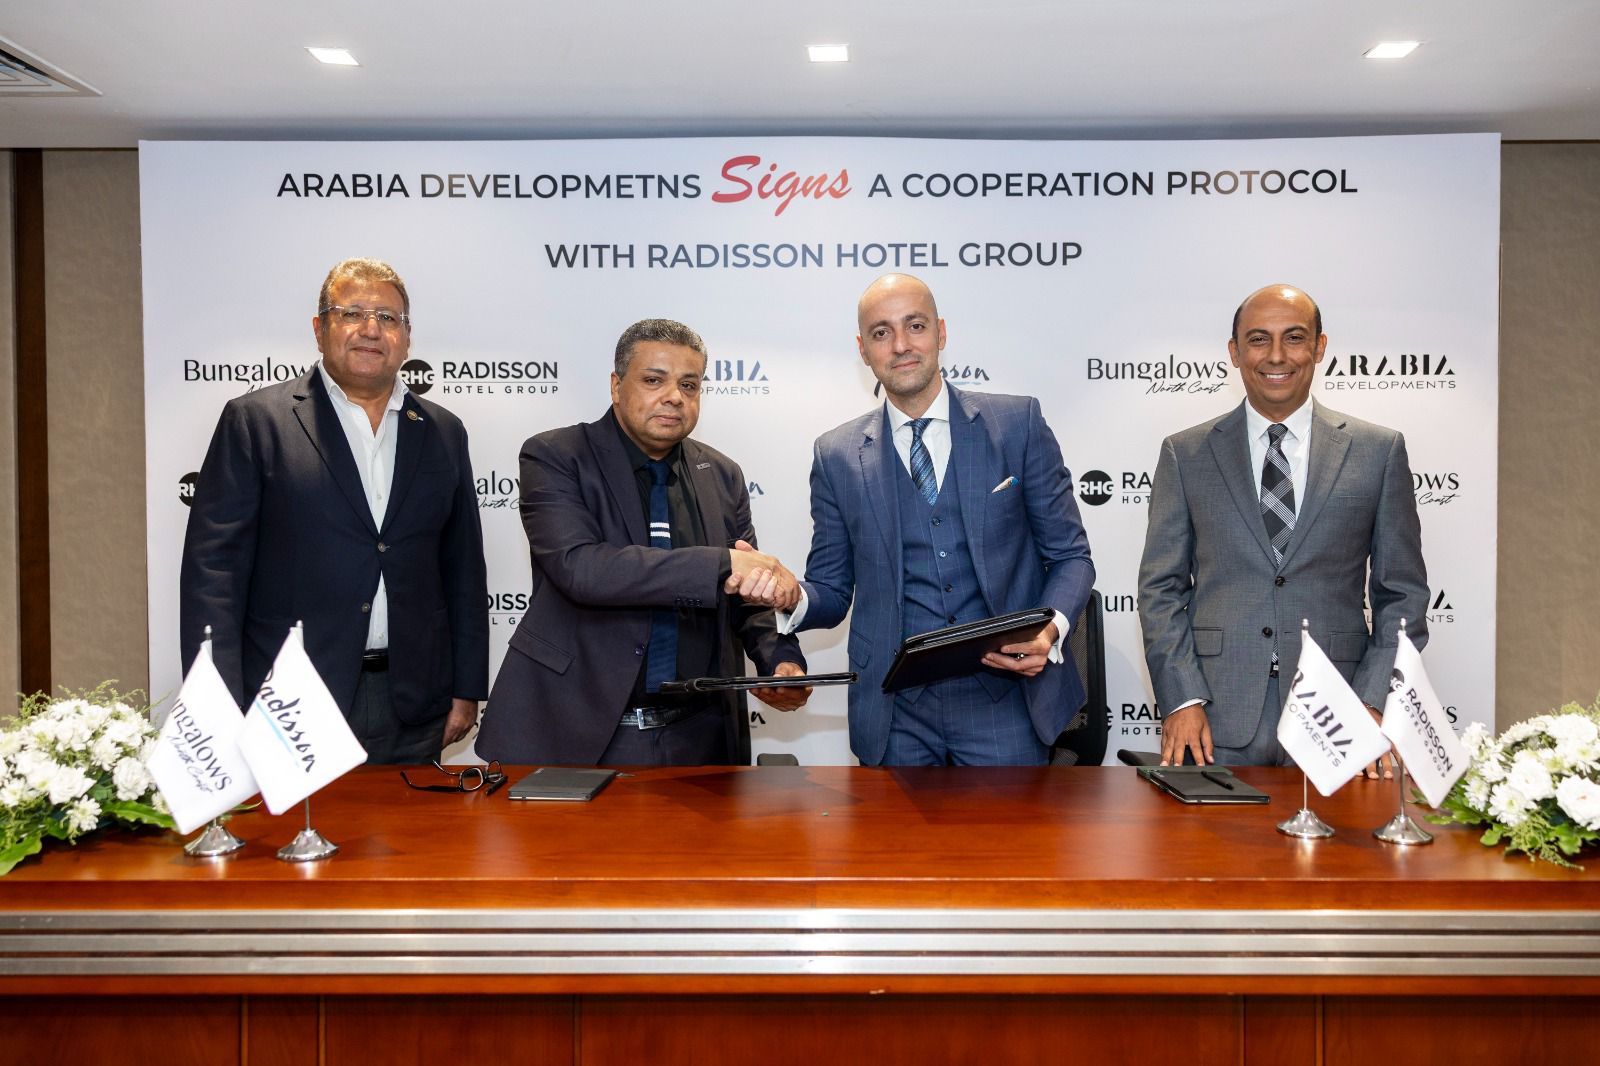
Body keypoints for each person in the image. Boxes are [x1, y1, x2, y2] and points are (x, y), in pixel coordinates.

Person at [766, 273, 1095, 766]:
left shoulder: (1017, 424)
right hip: (895, 712)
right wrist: (791, 596)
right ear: (863, 349)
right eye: (881, 332)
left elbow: (1071, 557)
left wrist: (1048, 631)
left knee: (1012, 823)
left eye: (915, 326)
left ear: (941, 332)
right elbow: (832, 589)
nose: (900, 345)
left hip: (1006, 701)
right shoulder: (836, 455)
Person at [180, 257, 488, 763]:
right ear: (319, 328)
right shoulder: (255, 422)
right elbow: (214, 576)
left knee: (415, 820)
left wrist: (467, 687)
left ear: (407, 338)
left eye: (387, 317)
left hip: (415, 704)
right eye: (352, 313)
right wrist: (218, 704)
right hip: (286, 704)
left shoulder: (442, 431)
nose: (371, 329)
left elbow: (463, 570)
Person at [475, 319, 809, 767]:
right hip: (580, 732)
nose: (674, 396)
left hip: (701, 734)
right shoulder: (556, 456)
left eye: (689, 385)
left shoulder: (723, 474)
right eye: (654, 380)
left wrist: (780, 661)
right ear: (617, 386)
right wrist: (721, 564)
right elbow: (582, 569)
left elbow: (749, 597)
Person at [1137, 283, 1429, 771]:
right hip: (1214, 717)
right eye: (1258, 339)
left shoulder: (1378, 451)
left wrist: (1374, 701)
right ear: (1234, 352)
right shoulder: (1185, 454)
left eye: (1294, 338)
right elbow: (1160, 590)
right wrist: (1182, 698)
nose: (1276, 355)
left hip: (1342, 716)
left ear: (1319, 347)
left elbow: (1402, 594)